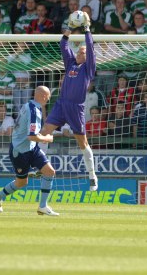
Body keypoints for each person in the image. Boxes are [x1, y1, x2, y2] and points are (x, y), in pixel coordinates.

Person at [40, 13, 99, 192]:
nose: (81, 52)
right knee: (44, 132)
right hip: (61, 104)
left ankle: (92, 175)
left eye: (83, 51)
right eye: (79, 50)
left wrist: (87, 30)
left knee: (83, 143)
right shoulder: (70, 64)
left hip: (76, 108)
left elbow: (90, 46)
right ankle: (40, 166)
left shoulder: (88, 69)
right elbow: (63, 45)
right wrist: (68, 31)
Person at [0, 86, 58, 216]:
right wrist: (47, 138)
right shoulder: (33, 111)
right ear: (43, 96)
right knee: (22, 182)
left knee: (49, 171)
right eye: (48, 97)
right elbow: (32, 136)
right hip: (20, 151)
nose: (48, 99)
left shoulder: (28, 105)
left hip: (31, 147)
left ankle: (43, 206)